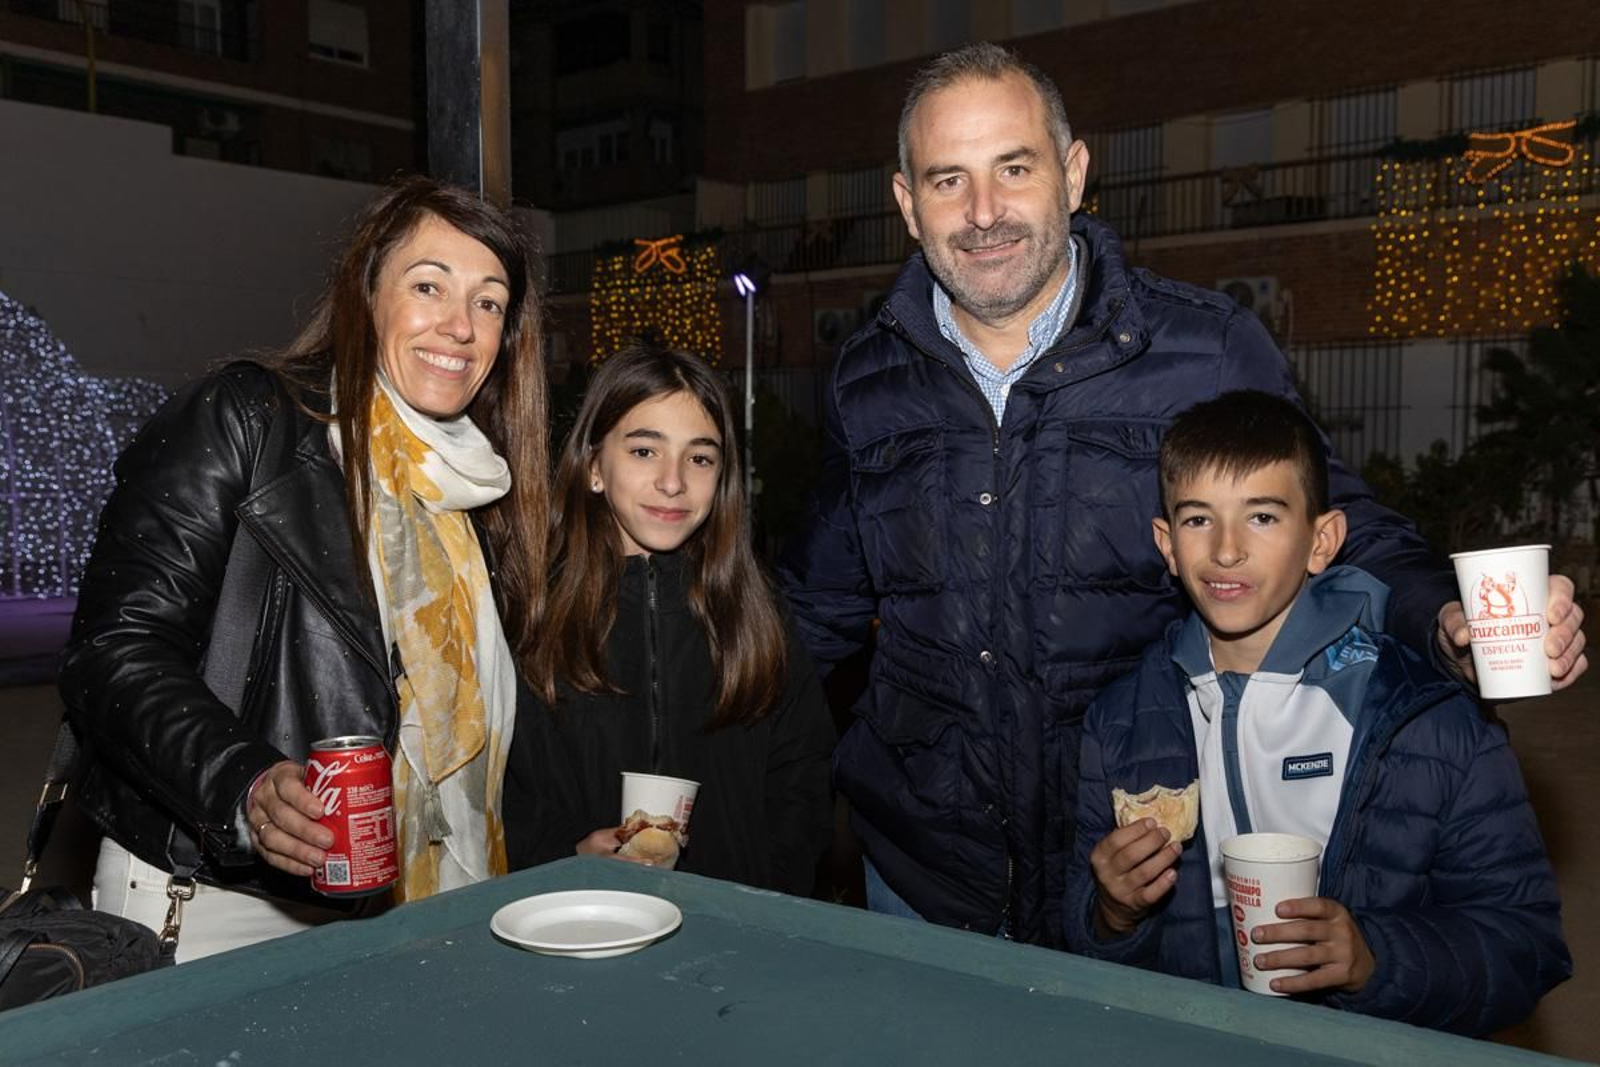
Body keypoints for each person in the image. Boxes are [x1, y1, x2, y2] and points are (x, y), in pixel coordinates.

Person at [776, 41, 1588, 947]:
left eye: (1014, 167)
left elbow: (1337, 530)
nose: (984, 213)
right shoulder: (868, 376)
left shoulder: (1204, 350)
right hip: (921, 873)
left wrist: (1446, 621)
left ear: (1074, 172)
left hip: (1145, 869)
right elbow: (819, 608)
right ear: (905, 203)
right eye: (946, 180)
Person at [59, 176, 550, 960]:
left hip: (410, 911)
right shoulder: (251, 419)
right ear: (366, 296)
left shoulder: (479, 495)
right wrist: (244, 783)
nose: (460, 326)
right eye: (429, 286)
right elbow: (115, 650)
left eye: (489, 302)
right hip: (226, 901)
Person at [1063, 391, 1570, 1035]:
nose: (1225, 550)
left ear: (1321, 540)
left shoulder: (1425, 718)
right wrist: (1112, 912)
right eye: (1197, 520)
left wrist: (1374, 959)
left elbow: (1525, 950)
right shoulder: (1120, 720)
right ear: (1166, 543)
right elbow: (1089, 941)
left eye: (1264, 517)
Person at [503, 344, 834, 895]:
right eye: (643, 451)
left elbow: (802, 775)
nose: (674, 482)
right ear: (593, 467)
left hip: (733, 937)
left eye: (700, 458)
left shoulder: (757, 614)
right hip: (576, 924)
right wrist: (566, 857)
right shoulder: (532, 618)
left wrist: (769, 893)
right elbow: (498, 792)